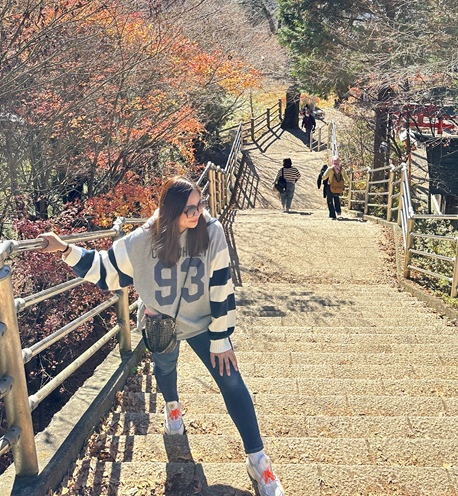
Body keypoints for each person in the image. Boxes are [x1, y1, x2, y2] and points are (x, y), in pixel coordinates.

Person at [37, 177, 284, 496]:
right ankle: (172, 407)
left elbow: (222, 285)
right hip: (161, 323)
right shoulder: (142, 241)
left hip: (203, 322)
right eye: (189, 209)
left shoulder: (211, 231)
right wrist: (65, 249)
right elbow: (105, 270)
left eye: (200, 205)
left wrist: (222, 337)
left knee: (232, 380)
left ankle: (257, 459)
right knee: (166, 370)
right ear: (169, 213)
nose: (198, 214)